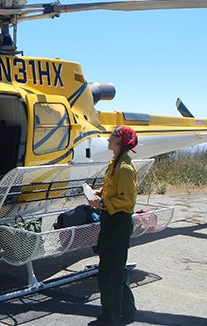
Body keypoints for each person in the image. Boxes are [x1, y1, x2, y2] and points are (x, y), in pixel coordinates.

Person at [87, 125, 139, 326]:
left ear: (120, 140)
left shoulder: (124, 167)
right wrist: (99, 193)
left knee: (113, 273)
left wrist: (101, 204)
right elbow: (114, 190)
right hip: (110, 222)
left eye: (112, 135)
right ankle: (126, 310)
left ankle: (112, 318)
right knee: (110, 269)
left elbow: (127, 200)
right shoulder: (116, 163)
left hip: (118, 223)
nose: (108, 138)